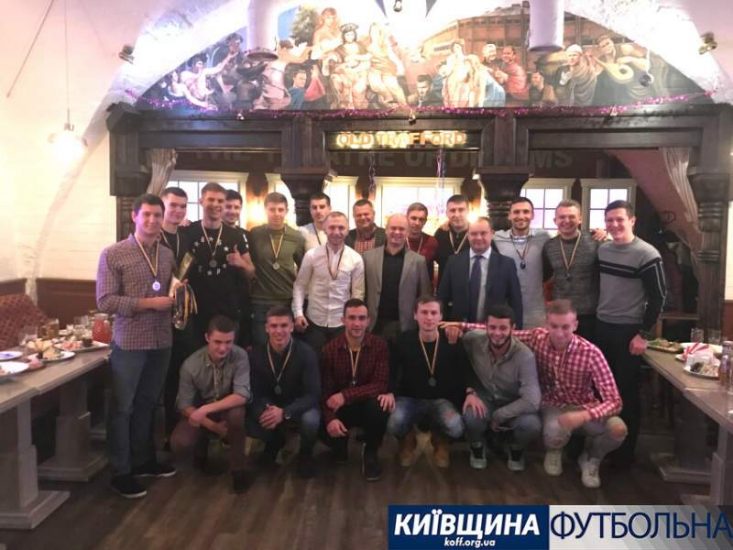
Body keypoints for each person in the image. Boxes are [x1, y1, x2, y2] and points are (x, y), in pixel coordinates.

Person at [96, 193, 177, 498]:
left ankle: (144, 460)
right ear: (134, 217)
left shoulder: (166, 254)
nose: (153, 220)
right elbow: (105, 301)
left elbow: (170, 291)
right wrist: (149, 303)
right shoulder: (113, 254)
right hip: (130, 341)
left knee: (148, 403)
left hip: (161, 339)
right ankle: (121, 471)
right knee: (123, 408)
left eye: (157, 215)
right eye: (147, 215)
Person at [516, 300, 627, 488]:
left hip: (585, 407)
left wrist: (584, 415)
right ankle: (554, 450)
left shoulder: (591, 353)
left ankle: (592, 458)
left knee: (618, 430)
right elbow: (501, 332)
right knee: (553, 431)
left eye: (565, 327)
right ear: (546, 324)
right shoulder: (537, 337)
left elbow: (615, 401)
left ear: (575, 325)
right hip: (553, 405)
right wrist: (463, 327)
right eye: (554, 326)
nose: (559, 333)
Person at [595, 200, 666, 467]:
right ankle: (604, 445)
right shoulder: (603, 250)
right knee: (601, 389)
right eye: (609, 220)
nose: (614, 224)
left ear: (632, 221)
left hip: (628, 331)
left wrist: (643, 334)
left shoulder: (647, 254)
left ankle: (625, 455)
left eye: (619, 219)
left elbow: (659, 297)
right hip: (602, 325)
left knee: (625, 391)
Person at [383, 296, 468, 468]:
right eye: (424, 312)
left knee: (456, 427)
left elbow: (464, 372)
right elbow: (391, 371)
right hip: (410, 399)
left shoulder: (452, 340)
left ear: (441, 316)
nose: (429, 317)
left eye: (433, 313)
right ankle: (407, 439)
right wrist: (389, 391)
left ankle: (440, 439)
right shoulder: (402, 340)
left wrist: (470, 393)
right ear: (415, 315)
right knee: (393, 423)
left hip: (441, 400)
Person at [170, 315, 251, 493]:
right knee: (179, 442)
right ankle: (201, 451)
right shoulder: (191, 365)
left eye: (228, 342)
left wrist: (206, 409)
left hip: (227, 408)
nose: (223, 348)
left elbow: (242, 395)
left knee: (237, 416)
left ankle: (238, 470)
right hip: (201, 412)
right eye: (217, 342)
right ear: (207, 337)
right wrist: (213, 426)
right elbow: (184, 405)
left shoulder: (240, 356)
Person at [462, 305, 541, 472]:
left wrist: (499, 415)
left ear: (513, 328)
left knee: (531, 425)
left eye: (503, 328)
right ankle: (477, 446)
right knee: (471, 415)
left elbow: (532, 400)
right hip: (485, 398)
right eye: (492, 327)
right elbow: (458, 353)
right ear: (485, 326)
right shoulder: (473, 340)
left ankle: (515, 448)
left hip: (513, 403)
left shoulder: (525, 356)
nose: (497, 333)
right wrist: (470, 391)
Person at [247, 306, 321, 478]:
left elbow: (313, 394)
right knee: (252, 413)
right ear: (266, 328)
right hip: (271, 404)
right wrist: (269, 408)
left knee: (311, 419)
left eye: (284, 325)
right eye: (274, 326)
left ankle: (306, 454)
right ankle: (273, 444)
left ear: (292, 327)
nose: (279, 331)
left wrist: (285, 412)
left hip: (299, 406)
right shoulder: (256, 355)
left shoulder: (307, 353)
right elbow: (255, 391)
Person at [321, 299, 389, 481]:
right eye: (351, 318)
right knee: (319, 421)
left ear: (368, 321)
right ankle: (339, 442)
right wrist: (330, 419)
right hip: (340, 408)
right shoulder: (330, 350)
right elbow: (325, 392)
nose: (357, 323)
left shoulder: (379, 346)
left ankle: (371, 451)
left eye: (361, 318)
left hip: (366, 405)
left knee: (381, 405)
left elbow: (380, 384)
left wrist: (346, 395)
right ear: (343, 320)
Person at [187, 183, 254, 346]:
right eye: (211, 199)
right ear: (201, 201)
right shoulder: (188, 231)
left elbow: (252, 272)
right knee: (197, 355)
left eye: (220, 201)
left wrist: (241, 264)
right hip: (196, 309)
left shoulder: (236, 235)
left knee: (226, 354)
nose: (216, 204)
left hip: (227, 309)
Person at [293, 211, 365, 352]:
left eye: (341, 228)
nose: (336, 232)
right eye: (332, 227)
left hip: (341, 322)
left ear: (347, 230)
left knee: (338, 362)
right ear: (324, 229)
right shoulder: (311, 255)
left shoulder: (356, 258)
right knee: (314, 361)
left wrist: (353, 320)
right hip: (314, 320)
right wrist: (298, 313)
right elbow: (300, 285)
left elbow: (358, 294)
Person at [438, 217, 523, 327]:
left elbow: (515, 302)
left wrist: (516, 331)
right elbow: (442, 298)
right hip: (458, 329)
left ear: (492, 234)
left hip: (493, 331)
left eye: (483, 233)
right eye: (473, 234)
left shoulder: (506, 265)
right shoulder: (454, 262)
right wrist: (444, 327)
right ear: (468, 235)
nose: (478, 238)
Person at [160, 187, 194, 444]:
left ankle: (178, 430)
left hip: (183, 312)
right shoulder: (153, 237)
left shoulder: (186, 234)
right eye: (173, 205)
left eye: (182, 206)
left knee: (180, 374)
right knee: (162, 376)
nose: (178, 210)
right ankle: (163, 433)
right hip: (157, 314)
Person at [248, 192, 306, 347]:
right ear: (265, 210)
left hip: (286, 299)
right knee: (261, 346)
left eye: (280, 210)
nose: (276, 214)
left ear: (287, 211)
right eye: (272, 209)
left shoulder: (296, 237)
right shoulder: (254, 234)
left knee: (285, 346)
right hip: (260, 300)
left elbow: (304, 269)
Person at [363, 214, 431, 341]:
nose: (397, 232)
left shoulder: (419, 261)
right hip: (374, 324)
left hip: (405, 326)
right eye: (393, 228)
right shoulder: (368, 257)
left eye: (401, 229)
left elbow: (424, 296)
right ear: (386, 229)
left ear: (407, 232)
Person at [542, 199, 601, 341]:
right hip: (560, 313)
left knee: (585, 353)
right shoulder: (549, 246)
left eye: (572, 216)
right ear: (555, 220)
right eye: (562, 217)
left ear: (580, 219)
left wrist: (606, 234)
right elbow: (544, 278)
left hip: (588, 313)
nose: (566, 221)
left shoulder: (595, 242)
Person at [493, 198, 551, 329]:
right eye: (516, 212)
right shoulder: (496, 238)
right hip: (507, 312)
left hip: (536, 312)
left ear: (532, 215)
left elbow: (564, 238)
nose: (521, 216)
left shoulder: (544, 237)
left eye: (526, 212)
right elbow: (476, 235)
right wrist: (447, 226)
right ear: (509, 215)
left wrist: (598, 234)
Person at [223, 189, 253, 349]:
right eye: (228, 206)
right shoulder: (205, 230)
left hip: (240, 301)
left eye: (236, 207)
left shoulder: (246, 235)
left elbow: (252, 273)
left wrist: (241, 263)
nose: (232, 211)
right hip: (213, 302)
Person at [434, 194, 470, 286]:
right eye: (452, 210)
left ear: (468, 211)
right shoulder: (440, 233)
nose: (457, 214)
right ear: (447, 213)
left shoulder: (477, 233)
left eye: (461, 210)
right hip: (444, 287)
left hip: (469, 288)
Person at [405, 202, 439, 284]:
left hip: (424, 289)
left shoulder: (432, 242)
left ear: (425, 221)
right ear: (406, 218)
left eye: (421, 219)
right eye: (413, 218)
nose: (417, 223)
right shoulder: (398, 240)